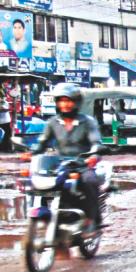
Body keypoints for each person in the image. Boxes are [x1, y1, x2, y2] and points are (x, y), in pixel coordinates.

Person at [31, 83, 103, 232]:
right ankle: (45, 216)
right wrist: (31, 152)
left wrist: (94, 155)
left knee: (90, 181)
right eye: (61, 101)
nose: (65, 104)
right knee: (38, 183)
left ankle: (92, 219)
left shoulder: (87, 122)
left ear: (76, 102)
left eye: (68, 100)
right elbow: (42, 142)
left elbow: (96, 142)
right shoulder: (52, 122)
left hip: (82, 165)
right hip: (60, 165)